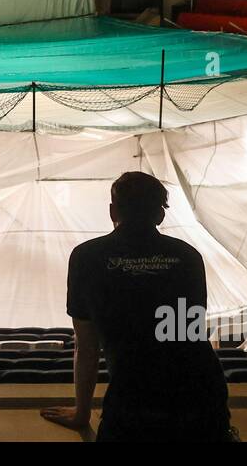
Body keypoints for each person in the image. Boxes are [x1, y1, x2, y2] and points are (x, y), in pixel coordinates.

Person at [41, 171, 232, 441]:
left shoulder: (87, 257)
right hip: (199, 392)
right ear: (160, 215)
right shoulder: (187, 256)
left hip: (132, 396)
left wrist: (82, 413)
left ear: (112, 211)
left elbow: (87, 346)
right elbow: (188, 333)